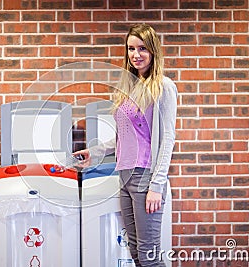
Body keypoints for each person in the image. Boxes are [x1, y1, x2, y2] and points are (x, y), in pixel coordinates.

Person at [74, 24, 177, 266]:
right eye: (131, 48)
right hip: (125, 177)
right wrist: (95, 152)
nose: (136, 54)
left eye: (142, 48)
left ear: (153, 51)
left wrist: (157, 185)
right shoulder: (130, 87)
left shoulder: (163, 87)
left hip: (145, 178)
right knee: (135, 253)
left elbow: (167, 139)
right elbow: (124, 137)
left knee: (149, 256)